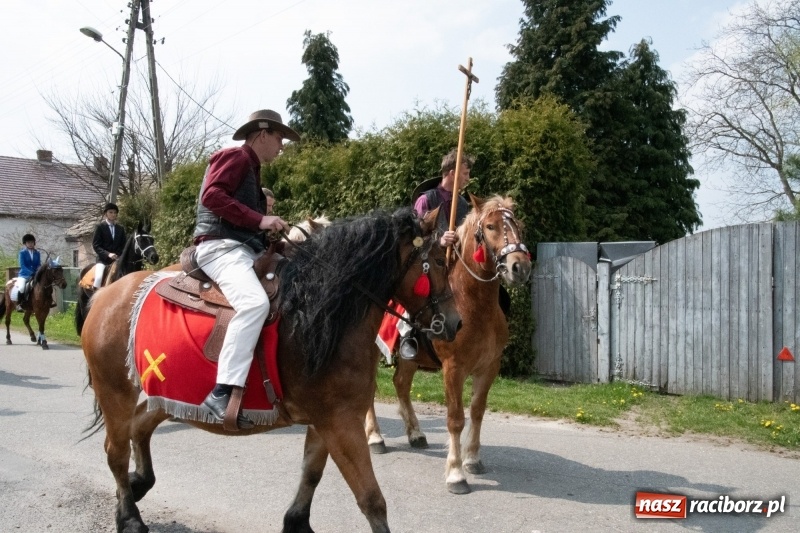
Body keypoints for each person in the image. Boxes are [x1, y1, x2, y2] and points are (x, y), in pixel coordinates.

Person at [193, 109, 297, 430]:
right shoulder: (235, 157)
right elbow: (212, 196)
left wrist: (271, 240)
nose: (281, 145)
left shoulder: (251, 167)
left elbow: (243, 219)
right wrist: (260, 219)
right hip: (220, 249)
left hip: (240, 248)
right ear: (262, 133)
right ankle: (221, 392)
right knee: (254, 303)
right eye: (279, 138)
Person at [413, 148, 475, 248]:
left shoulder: (463, 203)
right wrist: (439, 242)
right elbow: (415, 241)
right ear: (452, 174)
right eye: (465, 173)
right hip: (432, 262)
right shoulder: (425, 200)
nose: (468, 178)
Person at [92, 202, 126, 289]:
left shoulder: (120, 229)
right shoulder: (100, 227)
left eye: (115, 213)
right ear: (106, 213)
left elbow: (123, 245)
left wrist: (118, 255)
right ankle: (95, 297)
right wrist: (108, 254)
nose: (113, 214)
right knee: (99, 278)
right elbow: (96, 245)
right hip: (103, 260)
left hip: (117, 260)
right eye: (111, 212)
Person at [10, 233, 41, 310]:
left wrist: (39, 270)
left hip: (35, 275)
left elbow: (38, 264)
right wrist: (31, 272)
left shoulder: (37, 253)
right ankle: (19, 304)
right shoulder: (22, 253)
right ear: (25, 244)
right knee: (21, 287)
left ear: (34, 243)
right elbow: (22, 266)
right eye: (28, 242)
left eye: (32, 242)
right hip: (24, 275)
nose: (30, 244)